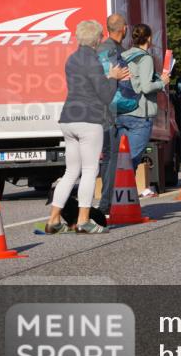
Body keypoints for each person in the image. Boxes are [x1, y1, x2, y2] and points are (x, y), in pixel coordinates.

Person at [44, 20, 129, 234]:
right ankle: (83, 221)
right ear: (98, 39)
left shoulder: (72, 59)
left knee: (71, 171)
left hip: (68, 118)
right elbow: (105, 95)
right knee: (90, 170)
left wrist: (107, 77)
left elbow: (86, 84)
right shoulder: (93, 60)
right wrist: (114, 78)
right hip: (89, 119)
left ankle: (53, 220)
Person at [116, 24, 170, 198]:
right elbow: (146, 87)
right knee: (131, 159)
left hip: (121, 112)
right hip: (140, 114)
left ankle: (115, 196)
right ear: (149, 38)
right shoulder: (145, 58)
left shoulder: (124, 55)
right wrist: (162, 83)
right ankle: (122, 200)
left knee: (121, 159)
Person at [96, 13, 126, 217]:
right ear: (124, 29)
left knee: (106, 157)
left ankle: (105, 203)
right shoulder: (116, 51)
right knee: (112, 157)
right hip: (112, 110)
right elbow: (119, 79)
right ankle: (106, 204)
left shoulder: (98, 49)